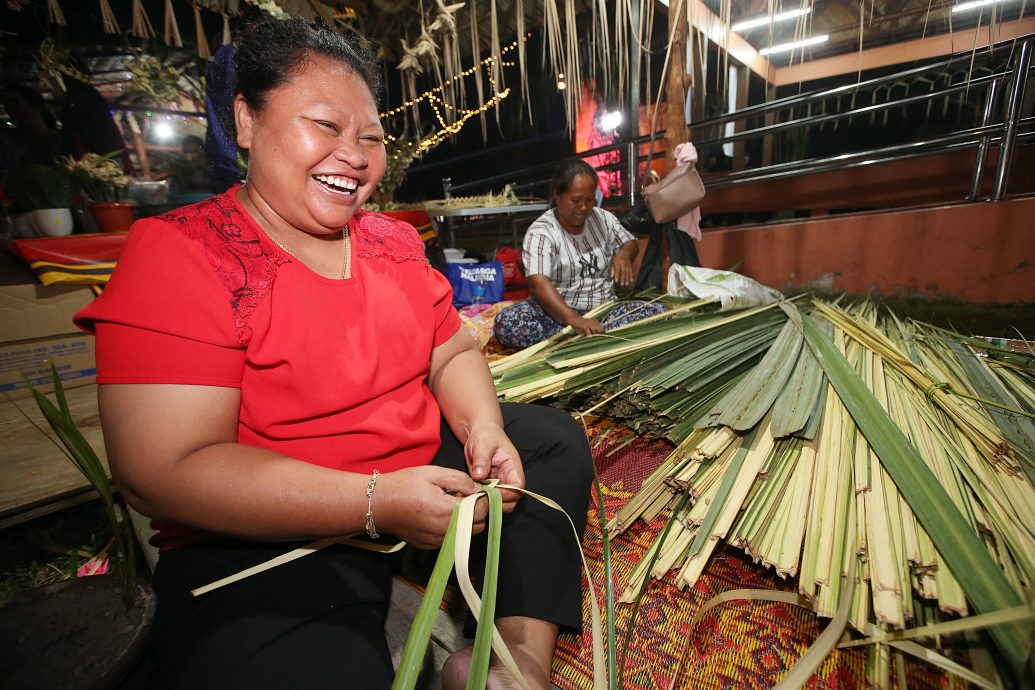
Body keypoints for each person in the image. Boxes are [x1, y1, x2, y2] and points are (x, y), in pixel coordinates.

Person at [74, 18, 591, 690]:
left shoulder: (393, 241)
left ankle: (512, 666)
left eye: (370, 137)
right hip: (274, 532)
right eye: (325, 126)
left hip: (408, 480)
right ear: (247, 121)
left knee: (548, 441)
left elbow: (452, 353)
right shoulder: (183, 253)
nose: (354, 155)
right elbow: (161, 470)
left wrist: (481, 427)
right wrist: (374, 501)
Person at [493, 158, 667, 350]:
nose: (584, 208)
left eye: (590, 200)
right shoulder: (542, 231)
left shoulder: (602, 218)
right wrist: (575, 320)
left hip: (604, 311)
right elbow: (537, 282)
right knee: (507, 323)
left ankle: (580, 340)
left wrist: (623, 255)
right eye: (575, 200)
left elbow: (630, 243)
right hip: (557, 316)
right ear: (557, 196)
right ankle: (589, 339)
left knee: (660, 312)